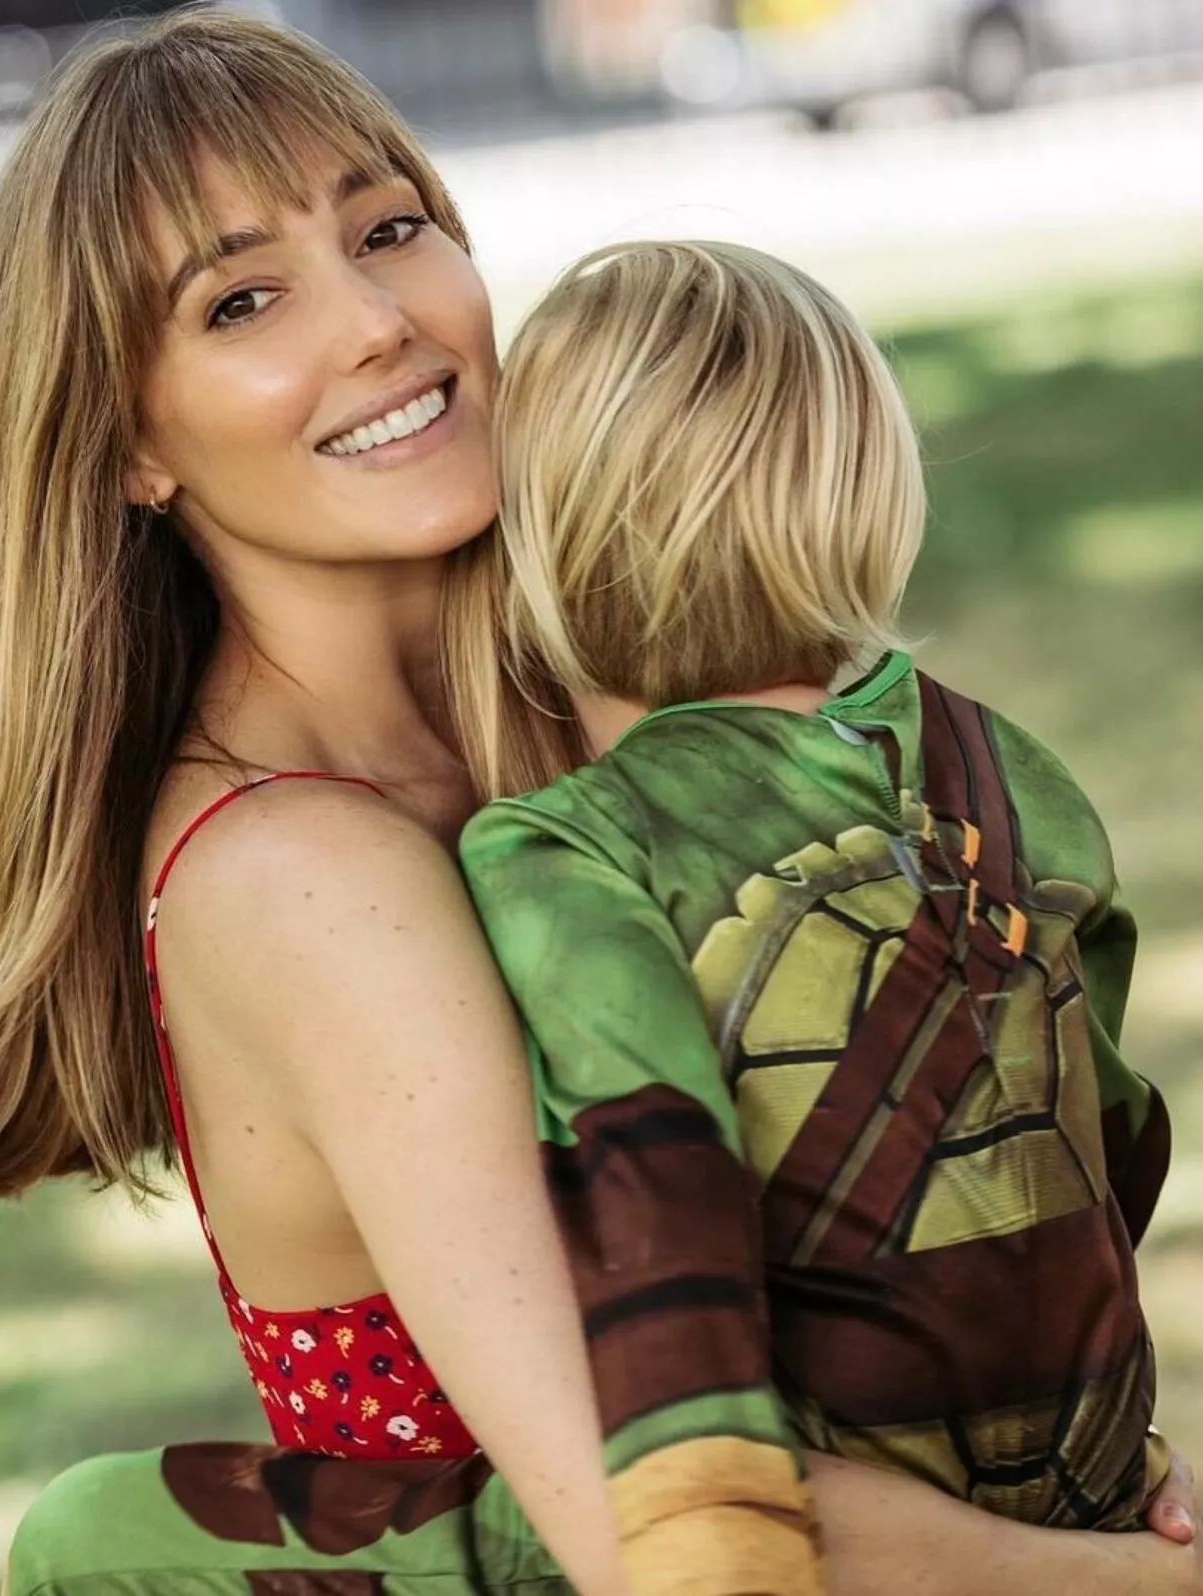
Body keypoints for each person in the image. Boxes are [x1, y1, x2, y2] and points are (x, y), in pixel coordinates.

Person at [0, 13, 1201, 1595]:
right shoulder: (300, 874)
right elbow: (655, 1521)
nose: (377, 322)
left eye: (388, 229)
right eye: (243, 300)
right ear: (128, 443)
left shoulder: (607, 721)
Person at [449, 239, 1174, 1589]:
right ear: (873, 495)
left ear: (534, 535)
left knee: (102, 1534)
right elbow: (1110, 1126)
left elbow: (658, 1201)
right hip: (1088, 1485)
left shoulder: (565, 851)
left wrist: (713, 1558)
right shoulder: (1003, 766)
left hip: (812, 1529)